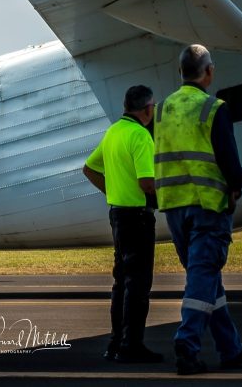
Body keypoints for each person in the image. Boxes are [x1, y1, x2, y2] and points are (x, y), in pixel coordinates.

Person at [154, 44, 242, 375]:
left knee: (206, 277)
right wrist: (239, 181)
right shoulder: (213, 108)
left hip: (173, 207)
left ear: (180, 72)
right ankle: (187, 341)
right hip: (208, 205)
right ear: (209, 72)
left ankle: (231, 349)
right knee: (202, 277)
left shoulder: (162, 110)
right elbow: (229, 160)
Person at [82, 84, 163, 364]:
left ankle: (116, 342)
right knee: (139, 285)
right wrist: (165, 193)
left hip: (117, 215)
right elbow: (146, 182)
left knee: (121, 283)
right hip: (138, 217)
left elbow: (89, 169)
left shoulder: (113, 132)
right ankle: (132, 345)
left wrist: (113, 191)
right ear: (147, 109)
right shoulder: (141, 136)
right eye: (153, 106)